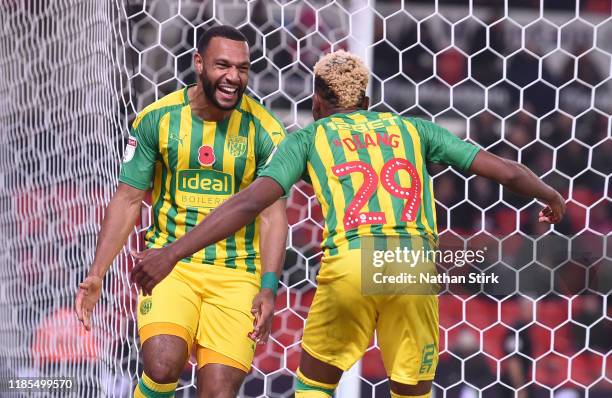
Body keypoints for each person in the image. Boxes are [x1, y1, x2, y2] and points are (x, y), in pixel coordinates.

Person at [130, 50, 565, 398]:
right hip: (412, 263)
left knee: (315, 386)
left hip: (352, 260)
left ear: (316, 101)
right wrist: (551, 196)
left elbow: (248, 204)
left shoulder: (308, 136)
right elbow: (506, 171)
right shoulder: (414, 129)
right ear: (368, 101)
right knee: (412, 391)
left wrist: (172, 251)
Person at [74, 25, 288, 398]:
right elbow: (128, 199)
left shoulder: (265, 130)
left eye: (242, 68)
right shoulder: (158, 119)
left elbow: (273, 216)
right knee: (161, 364)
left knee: (218, 392)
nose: (233, 77)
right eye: (223, 65)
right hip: (170, 267)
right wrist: (97, 274)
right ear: (199, 64)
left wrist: (269, 288)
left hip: (237, 274)